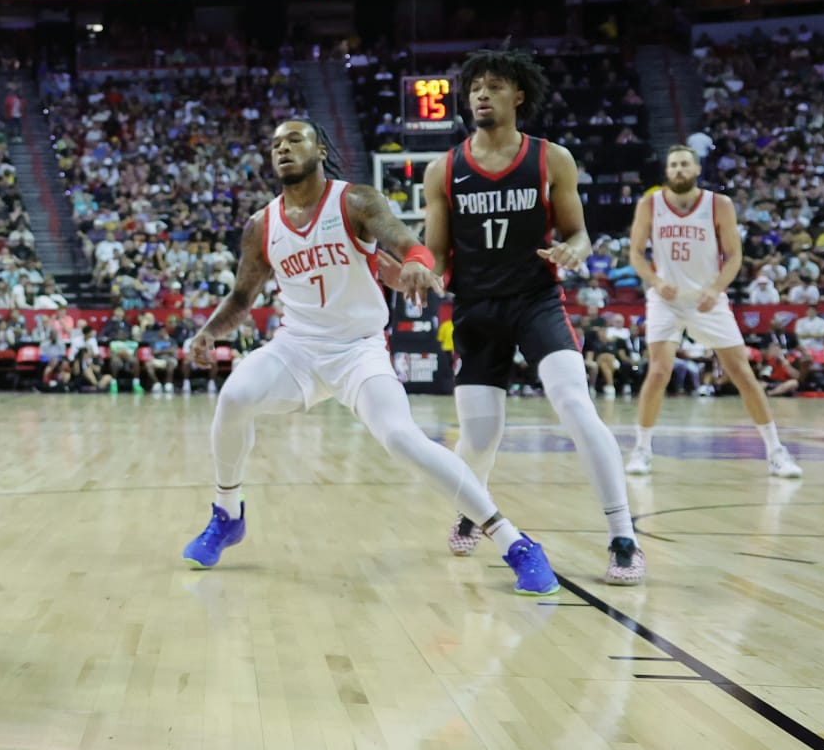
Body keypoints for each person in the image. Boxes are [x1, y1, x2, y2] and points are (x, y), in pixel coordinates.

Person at [183, 119, 560, 597]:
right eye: (275, 143)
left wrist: (421, 267)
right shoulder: (262, 225)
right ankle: (227, 514)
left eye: (294, 139)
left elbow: (408, 243)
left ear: (320, 147)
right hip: (296, 349)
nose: (282, 148)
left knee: (403, 439)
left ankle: (516, 543)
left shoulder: (355, 201)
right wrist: (206, 332)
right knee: (234, 396)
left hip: (358, 350)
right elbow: (242, 296)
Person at [422, 47, 643, 585]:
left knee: (574, 404)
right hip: (475, 308)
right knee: (479, 437)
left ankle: (623, 536)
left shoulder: (552, 158)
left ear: (518, 95)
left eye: (494, 86)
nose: (481, 94)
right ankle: (475, 510)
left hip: (536, 301)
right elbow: (438, 255)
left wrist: (576, 250)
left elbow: (579, 233)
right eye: (475, 87)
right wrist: (419, 271)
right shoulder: (443, 169)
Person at [625, 148, 800, 479]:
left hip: (708, 297)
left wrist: (716, 288)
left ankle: (776, 451)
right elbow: (635, 253)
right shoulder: (650, 204)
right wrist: (655, 280)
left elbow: (734, 255)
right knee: (659, 371)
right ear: (667, 169)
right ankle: (642, 449)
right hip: (667, 298)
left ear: (696, 168)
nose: (678, 169)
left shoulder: (719, 204)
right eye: (673, 164)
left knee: (741, 372)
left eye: (684, 164)